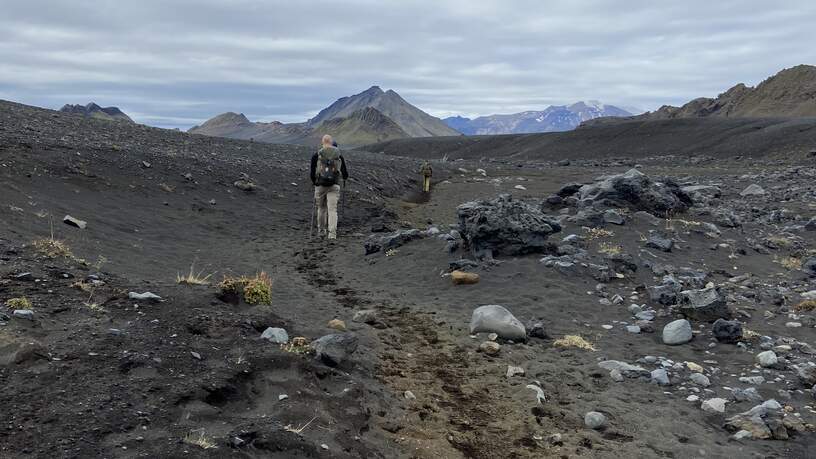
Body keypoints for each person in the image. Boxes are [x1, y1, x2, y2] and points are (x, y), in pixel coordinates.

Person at [310, 135, 348, 239]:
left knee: (321, 209)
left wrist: (315, 182)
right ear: (331, 143)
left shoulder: (317, 154)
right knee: (332, 210)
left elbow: (312, 172)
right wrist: (344, 178)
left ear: (322, 142)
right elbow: (345, 173)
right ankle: (332, 234)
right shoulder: (338, 154)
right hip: (334, 185)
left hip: (320, 185)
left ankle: (321, 232)